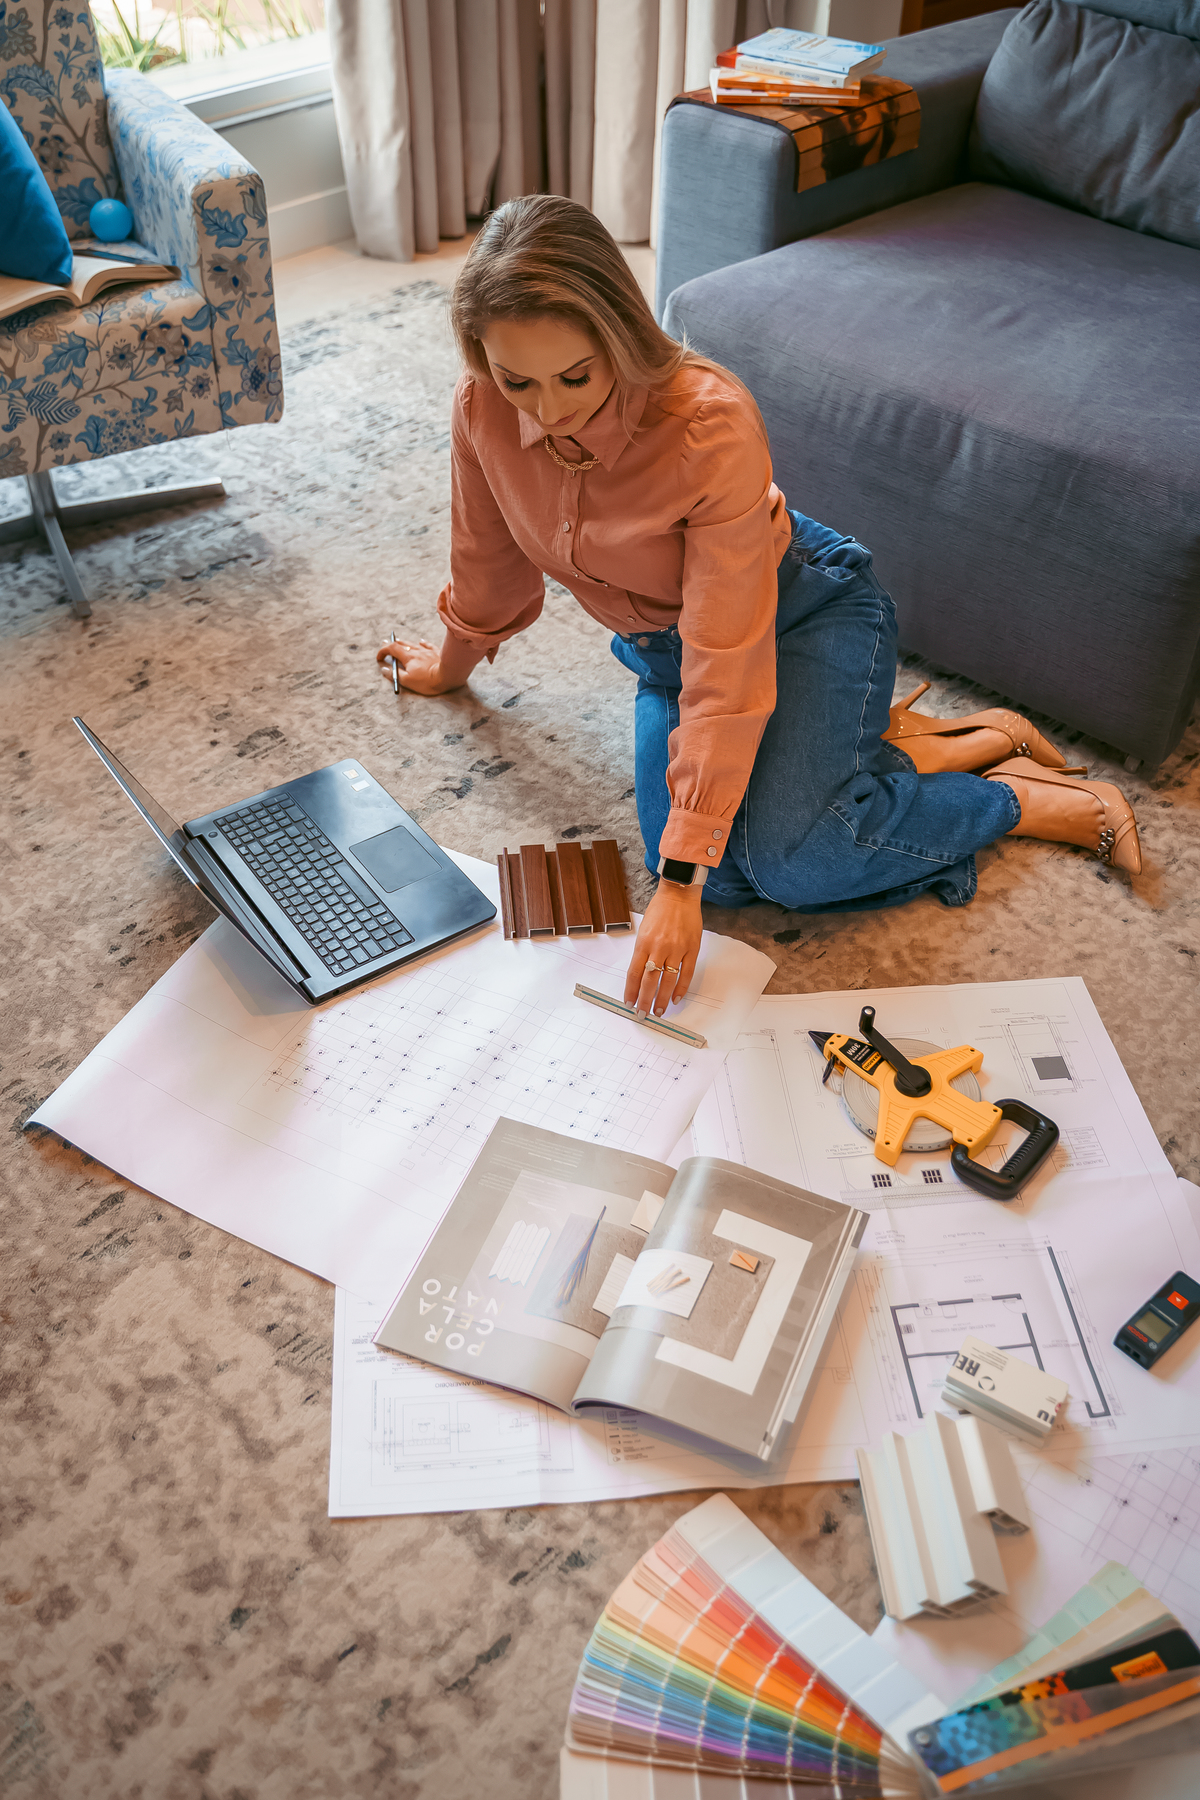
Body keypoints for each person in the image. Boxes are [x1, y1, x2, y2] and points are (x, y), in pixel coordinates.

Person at [377, 195, 1141, 1021]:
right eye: (515, 377)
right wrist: (449, 667)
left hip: (801, 611)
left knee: (790, 865)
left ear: (618, 337)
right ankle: (938, 744)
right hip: (664, 654)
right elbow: (489, 561)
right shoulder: (481, 407)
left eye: (576, 376)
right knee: (730, 878)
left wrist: (674, 884)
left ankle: (1028, 800)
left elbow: (726, 653)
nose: (548, 409)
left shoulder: (706, 422)